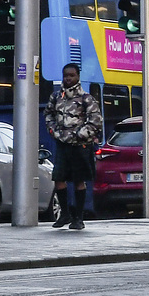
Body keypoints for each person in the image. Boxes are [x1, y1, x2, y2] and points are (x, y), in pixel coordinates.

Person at [45, 64, 102, 230]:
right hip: (62, 144)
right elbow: (48, 114)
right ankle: (65, 214)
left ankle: (78, 217)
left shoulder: (86, 99)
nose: (68, 79)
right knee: (59, 178)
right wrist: (53, 131)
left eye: (71, 75)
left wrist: (80, 135)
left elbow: (95, 121)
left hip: (80, 145)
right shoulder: (56, 97)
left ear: (78, 76)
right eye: (65, 76)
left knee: (79, 180)